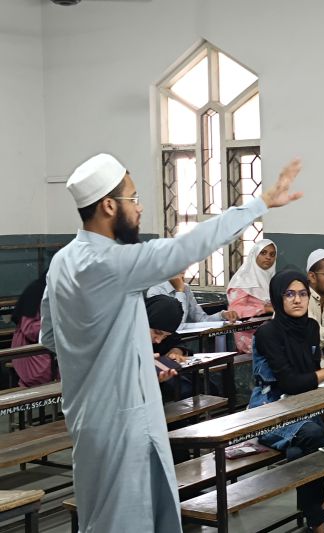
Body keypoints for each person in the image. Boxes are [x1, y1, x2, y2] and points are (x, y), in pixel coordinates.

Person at [40, 152, 302, 533]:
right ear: (109, 206)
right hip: (124, 421)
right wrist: (259, 205)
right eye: (133, 198)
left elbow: (51, 336)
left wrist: (125, 357)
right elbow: (186, 248)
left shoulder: (62, 263)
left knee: (104, 517)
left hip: (89, 418)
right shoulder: (112, 262)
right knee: (126, 523)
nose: (140, 207)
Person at [249, 271, 324, 533]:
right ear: (278, 298)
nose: (297, 300)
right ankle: (320, 514)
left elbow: (308, 378)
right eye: (289, 294)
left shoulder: (311, 327)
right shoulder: (267, 333)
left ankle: (316, 517)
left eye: (302, 294)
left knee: (302, 450)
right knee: (314, 436)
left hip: (305, 403)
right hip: (269, 409)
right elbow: (290, 383)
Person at [227, 239, 278, 352]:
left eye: (272, 254)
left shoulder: (273, 279)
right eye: (263, 253)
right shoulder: (241, 280)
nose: (268, 257)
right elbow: (235, 311)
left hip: (270, 328)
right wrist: (264, 308)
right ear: (254, 254)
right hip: (249, 333)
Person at [10, 271, 55, 387]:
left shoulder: (50, 290)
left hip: (46, 347)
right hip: (30, 352)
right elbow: (30, 330)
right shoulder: (35, 292)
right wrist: (56, 323)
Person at [148, 270, 239, 325]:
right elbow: (176, 325)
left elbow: (201, 319)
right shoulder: (155, 291)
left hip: (183, 342)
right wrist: (180, 291)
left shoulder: (185, 288)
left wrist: (222, 315)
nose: (183, 268)